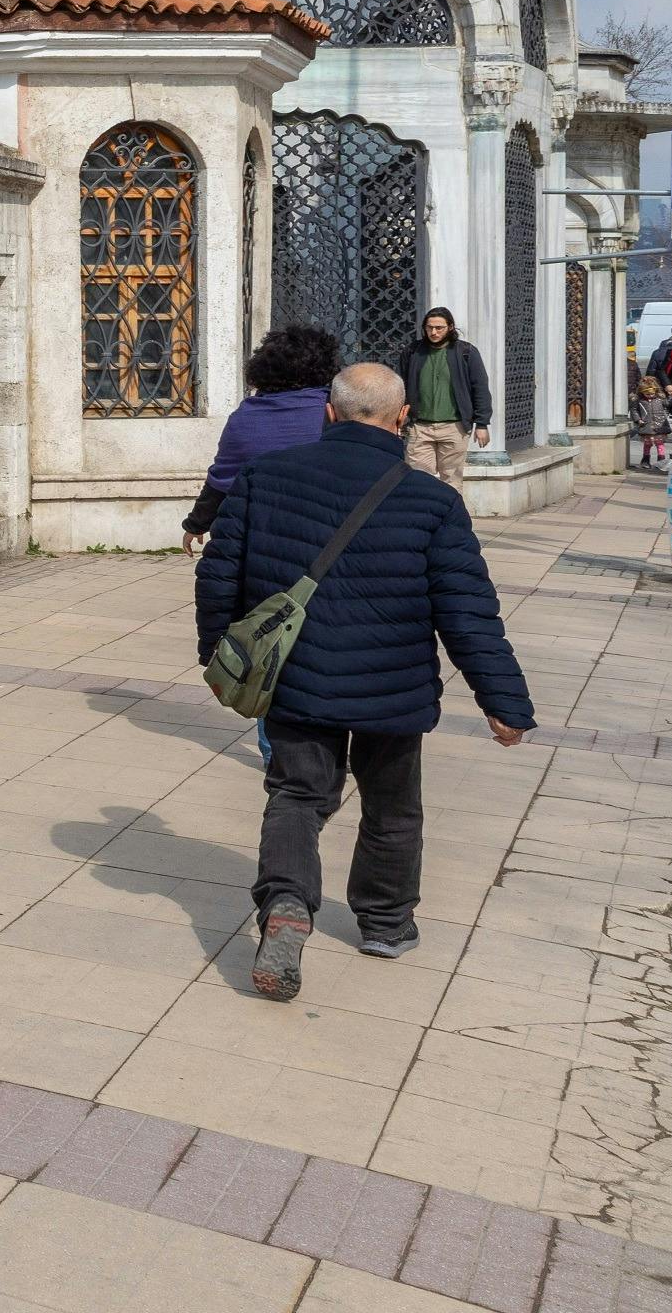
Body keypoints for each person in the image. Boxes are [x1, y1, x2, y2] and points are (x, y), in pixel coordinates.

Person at [193, 363, 535, 1004]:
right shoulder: (433, 501)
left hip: (295, 678)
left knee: (297, 796)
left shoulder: (265, 478)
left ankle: (287, 902)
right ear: (403, 418)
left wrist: (219, 655)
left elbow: (217, 574)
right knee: (392, 807)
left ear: (330, 412)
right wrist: (503, 702)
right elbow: (467, 612)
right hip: (392, 687)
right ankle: (384, 923)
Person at [182, 324, 341, 551]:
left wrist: (196, 525)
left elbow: (221, 480)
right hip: (324, 533)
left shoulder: (245, 417)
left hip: (257, 536)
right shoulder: (335, 410)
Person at [392, 307, 492, 484]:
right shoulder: (413, 352)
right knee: (417, 480)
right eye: (429, 327)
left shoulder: (466, 352)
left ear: (450, 327)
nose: (434, 332)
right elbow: (399, 385)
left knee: (452, 481)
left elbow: (480, 387)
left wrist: (482, 424)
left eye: (439, 328)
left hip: (455, 427)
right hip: (419, 428)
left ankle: (451, 504)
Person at [636, 375, 672, 469]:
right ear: (642, 392)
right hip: (646, 426)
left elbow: (668, 403)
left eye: (652, 393)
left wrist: (671, 396)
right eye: (647, 394)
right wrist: (638, 419)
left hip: (659, 426)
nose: (650, 395)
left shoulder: (660, 399)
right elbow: (634, 410)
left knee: (660, 444)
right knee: (647, 444)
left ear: (655, 391)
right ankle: (645, 461)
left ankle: (661, 461)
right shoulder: (640, 401)